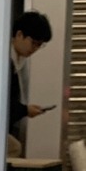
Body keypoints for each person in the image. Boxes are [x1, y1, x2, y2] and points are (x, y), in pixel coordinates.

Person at [8, 10, 52, 151]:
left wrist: (24, 109)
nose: (35, 49)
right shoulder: (3, 61)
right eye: (34, 43)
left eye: (39, 45)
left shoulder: (20, 61)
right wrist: (25, 110)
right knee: (15, 148)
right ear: (19, 35)